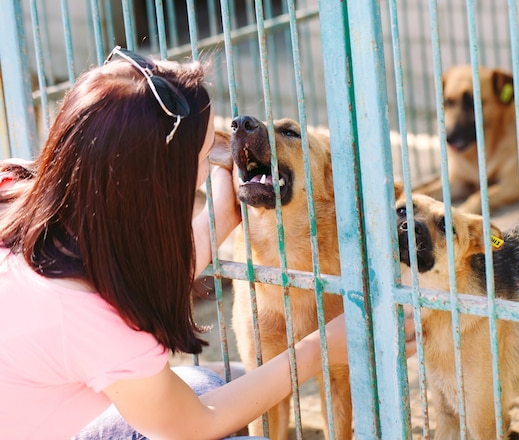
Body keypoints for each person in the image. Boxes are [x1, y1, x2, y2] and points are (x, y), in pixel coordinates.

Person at [0, 46, 416, 439]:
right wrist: (316, 350)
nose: (223, 158)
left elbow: (118, 293)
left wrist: (219, 217)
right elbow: (192, 424)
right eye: (207, 157)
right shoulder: (88, 319)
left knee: (210, 381)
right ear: (159, 183)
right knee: (218, 394)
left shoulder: (18, 199)